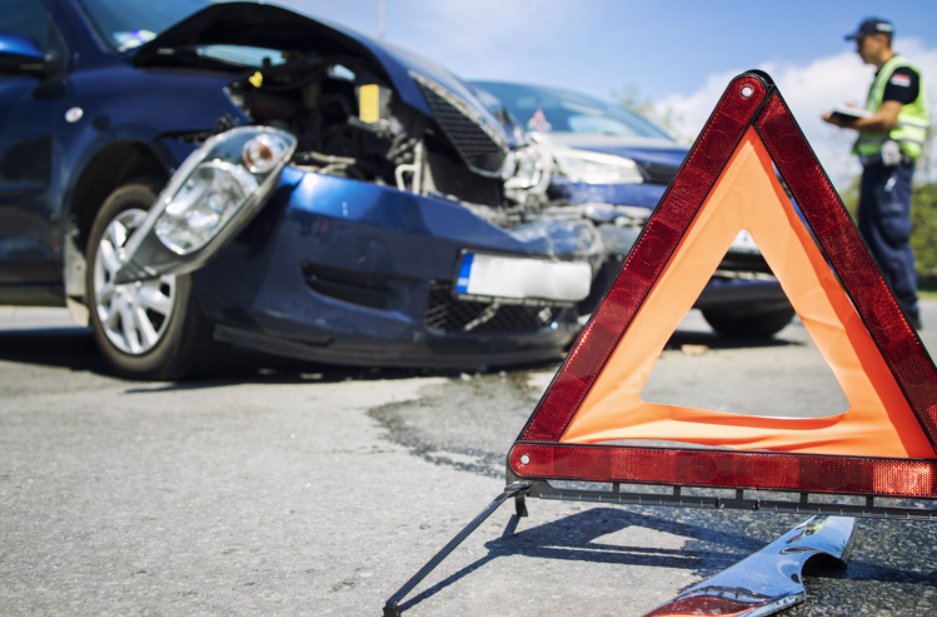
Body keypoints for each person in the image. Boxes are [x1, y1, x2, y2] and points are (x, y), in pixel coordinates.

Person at [823, 17, 930, 330]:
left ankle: (906, 314)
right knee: (872, 236)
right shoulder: (883, 76)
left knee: (889, 235)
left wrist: (847, 122)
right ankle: (885, 313)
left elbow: (886, 120)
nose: (856, 49)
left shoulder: (900, 72)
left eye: (860, 42)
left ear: (879, 40)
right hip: (877, 168)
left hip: (891, 167)